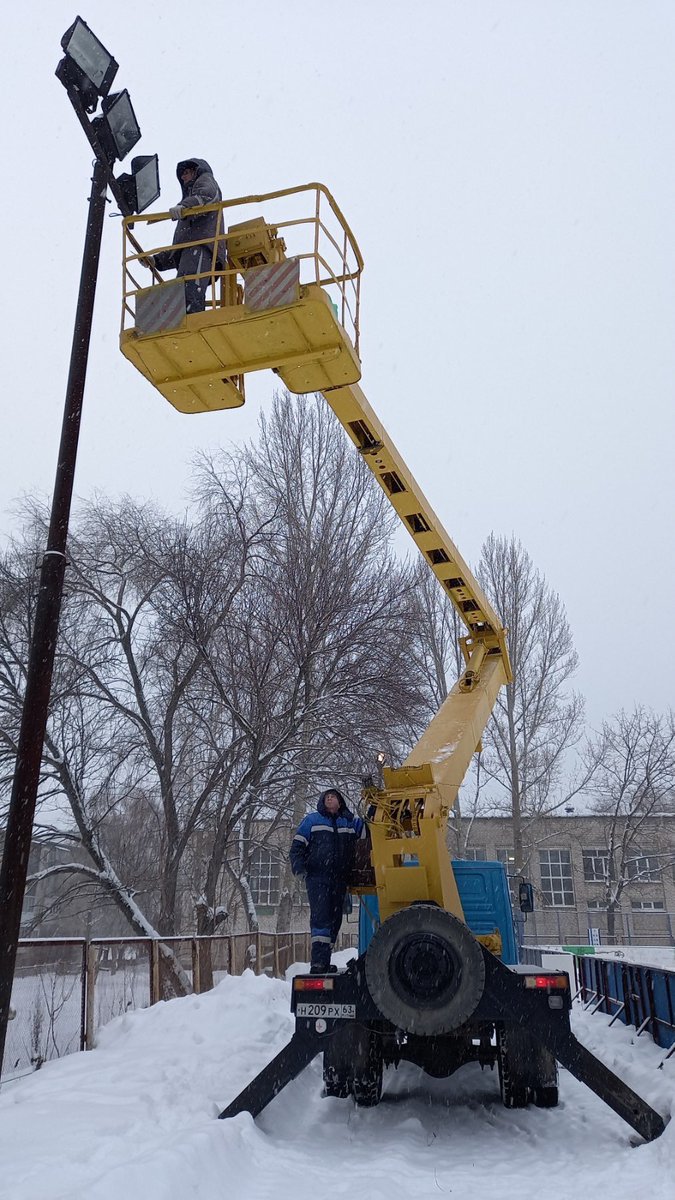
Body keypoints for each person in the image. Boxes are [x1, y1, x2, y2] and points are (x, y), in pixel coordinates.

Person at [290, 788, 364, 973]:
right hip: (318, 878)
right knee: (321, 918)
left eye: (333, 797)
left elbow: (366, 832)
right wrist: (300, 869)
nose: (329, 799)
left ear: (340, 802)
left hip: (339, 880)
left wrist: (368, 813)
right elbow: (297, 846)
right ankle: (318, 963)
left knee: (335, 921)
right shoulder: (312, 820)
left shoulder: (348, 821)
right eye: (327, 797)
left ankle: (325, 960)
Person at [151, 158, 226, 314]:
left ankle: (193, 322)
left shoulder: (205, 180)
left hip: (201, 248)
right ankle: (189, 321)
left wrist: (185, 205)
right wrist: (157, 260)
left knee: (190, 291)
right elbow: (180, 247)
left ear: (196, 170)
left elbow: (208, 195)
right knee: (185, 290)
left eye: (186, 173)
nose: (183, 177)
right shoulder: (187, 211)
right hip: (193, 250)